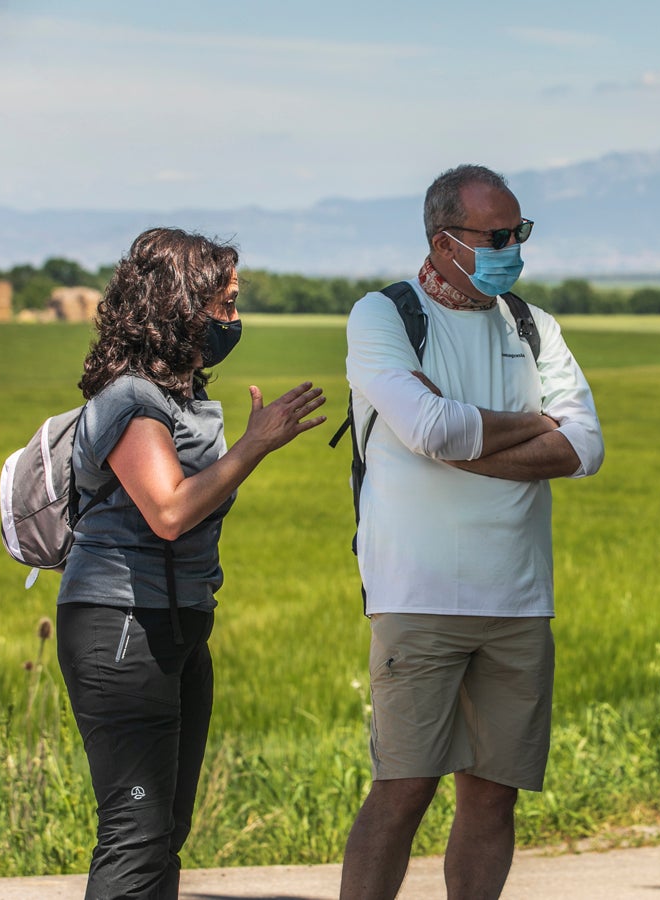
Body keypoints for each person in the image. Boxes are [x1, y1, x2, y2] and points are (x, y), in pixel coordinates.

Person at [338, 164, 604, 900]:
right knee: (404, 789)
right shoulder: (384, 316)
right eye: (496, 235)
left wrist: (464, 440)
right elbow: (427, 427)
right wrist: (530, 426)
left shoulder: (531, 324)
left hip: (518, 600)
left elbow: (585, 449)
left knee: (494, 794)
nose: (512, 247)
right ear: (444, 240)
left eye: (519, 232)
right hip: (416, 596)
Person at [56, 227, 327, 899]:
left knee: (164, 830)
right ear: (175, 303)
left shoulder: (178, 399)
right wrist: (254, 446)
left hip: (174, 625)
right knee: (135, 830)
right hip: (122, 628)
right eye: (223, 304)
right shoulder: (131, 399)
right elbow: (169, 512)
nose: (234, 321)